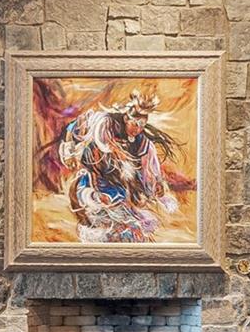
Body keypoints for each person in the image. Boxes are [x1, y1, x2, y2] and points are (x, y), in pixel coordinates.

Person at [57, 90, 180, 242]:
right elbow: (78, 126)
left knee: (132, 229)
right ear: (126, 119)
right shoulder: (104, 127)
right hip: (96, 186)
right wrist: (69, 147)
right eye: (135, 124)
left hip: (118, 189)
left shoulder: (141, 143)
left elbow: (148, 168)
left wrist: (156, 184)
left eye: (142, 125)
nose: (138, 129)